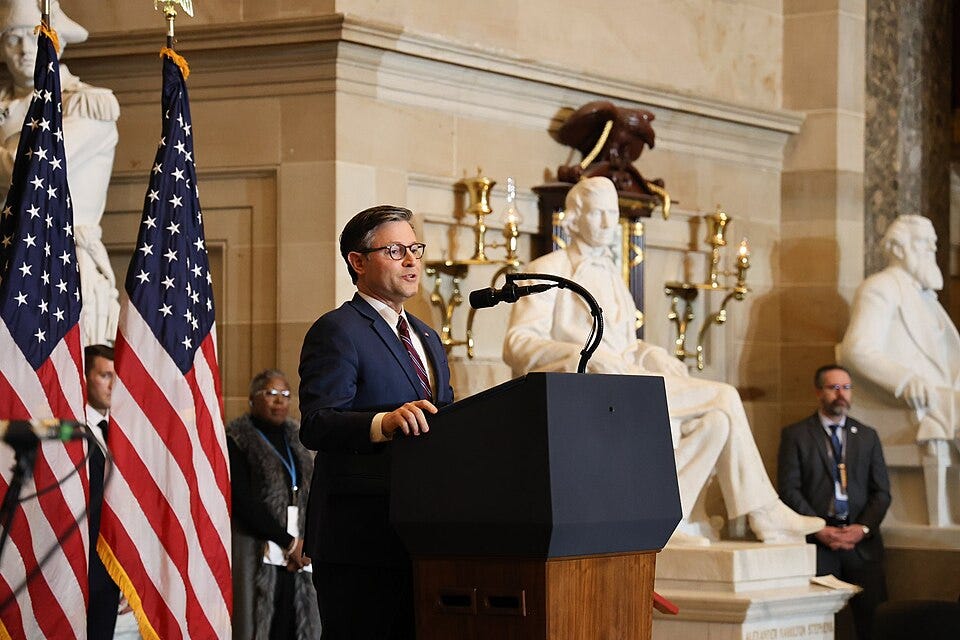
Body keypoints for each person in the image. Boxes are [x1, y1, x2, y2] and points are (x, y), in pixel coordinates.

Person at [503, 176, 823, 544]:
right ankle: (765, 513)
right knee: (724, 396)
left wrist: (651, 352)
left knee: (717, 422)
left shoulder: (612, 275)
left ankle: (668, 519)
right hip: (590, 395)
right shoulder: (548, 270)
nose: (609, 224)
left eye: (613, 214)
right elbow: (517, 344)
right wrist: (580, 355)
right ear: (574, 219)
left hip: (632, 382)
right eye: (598, 215)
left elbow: (625, 343)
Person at [299, 205, 454, 639]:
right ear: (358, 261)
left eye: (415, 249)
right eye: (396, 250)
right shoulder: (338, 330)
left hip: (423, 533)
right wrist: (383, 423)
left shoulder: (426, 335)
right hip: (360, 539)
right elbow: (317, 423)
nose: (412, 261)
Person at [0, 0, 121, 347]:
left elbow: (32, 165)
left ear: (57, 43)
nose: (24, 51)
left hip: (62, 259)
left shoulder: (88, 105)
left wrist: (11, 150)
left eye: (34, 37)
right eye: (13, 39)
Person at [778, 365, 891, 640]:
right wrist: (817, 528)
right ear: (819, 391)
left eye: (846, 388)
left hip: (862, 546)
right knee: (816, 624)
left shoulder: (867, 435)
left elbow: (882, 492)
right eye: (833, 387)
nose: (841, 394)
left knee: (873, 622)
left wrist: (862, 528)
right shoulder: (796, 435)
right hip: (818, 544)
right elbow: (788, 489)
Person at [839, 214, 960, 444]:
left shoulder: (927, 298)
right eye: (925, 241)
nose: (933, 247)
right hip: (916, 401)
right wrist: (905, 381)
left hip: (942, 398)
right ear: (900, 249)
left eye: (934, 241)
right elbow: (856, 350)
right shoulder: (881, 287)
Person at [227, 369, 320, 640]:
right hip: (258, 548)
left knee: (297, 623)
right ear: (252, 398)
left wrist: (303, 544)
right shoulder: (237, 440)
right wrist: (288, 542)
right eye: (271, 393)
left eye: (285, 394)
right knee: (262, 625)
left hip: (299, 553)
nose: (279, 401)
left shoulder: (299, 439)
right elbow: (243, 501)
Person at [83, 344, 121, 640]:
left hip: (111, 570)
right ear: (84, 378)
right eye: (105, 375)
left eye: (116, 376)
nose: (113, 384)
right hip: (77, 567)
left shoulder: (124, 430)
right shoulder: (68, 426)